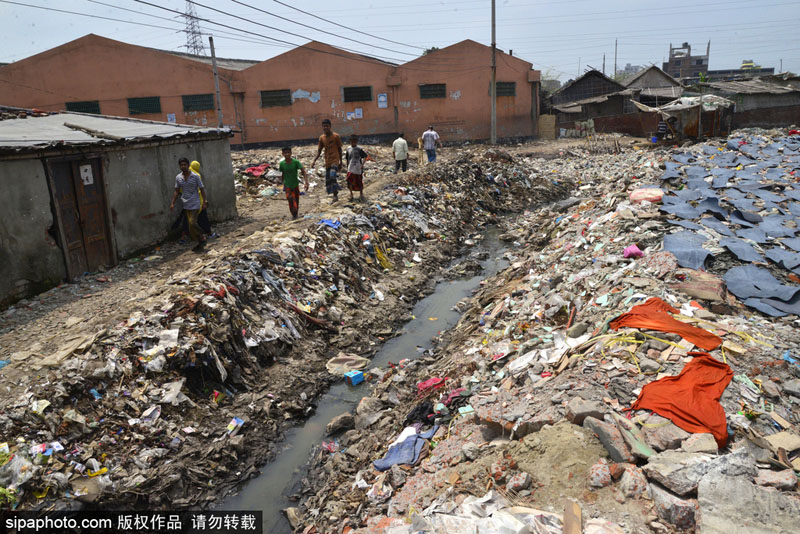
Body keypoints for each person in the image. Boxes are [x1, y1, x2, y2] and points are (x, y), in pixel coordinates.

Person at [170, 157, 207, 252]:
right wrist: (173, 202)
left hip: (195, 202)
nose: (183, 166)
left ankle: (202, 235)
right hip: (186, 203)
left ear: (188, 165)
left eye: (184, 164)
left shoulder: (195, 176)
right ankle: (200, 241)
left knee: (192, 222)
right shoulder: (178, 177)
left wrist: (204, 201)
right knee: (191, 227)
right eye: (181, 165)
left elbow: (202, 189)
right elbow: (176, 191)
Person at [311, 118, 343, 203]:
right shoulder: (322, 138)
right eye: (324, 126)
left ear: (330, 126)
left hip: (335, 160)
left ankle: (336, 194)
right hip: (327, 161)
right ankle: (335, 194)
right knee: (329, 180)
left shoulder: (336, 136)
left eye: (327, 126)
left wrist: (341, 162)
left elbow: (340, 149)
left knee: (332, 176)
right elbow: (319, 150)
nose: (326, 127)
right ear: (322, 127)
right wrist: (314, 161)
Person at [278, 146, 309, 219]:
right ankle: (293, 214)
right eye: (285, 153)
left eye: (288, 152)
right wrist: (281, 182)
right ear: (282, 154)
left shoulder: (296, 162)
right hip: (287, 184)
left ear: (291, 153)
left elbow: (303, 172)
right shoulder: (282, 164)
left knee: (296, 200)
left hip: (295, 184)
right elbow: (282, 173)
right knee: (289, 198)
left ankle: (295, 214)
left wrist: (306, 182)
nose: (287, 154)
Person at [345, 134, 368, 201]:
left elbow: (365, 157)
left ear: (357, 141)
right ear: (350, 141)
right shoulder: (348, 149)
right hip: (350, 168)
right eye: (352, 142)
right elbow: (347, 159)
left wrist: (362, 165)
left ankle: (361, 194)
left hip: (358, 168)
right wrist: (347, 167)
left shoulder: (359, 149)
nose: (353, 143)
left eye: (354, 142)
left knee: (359, 181)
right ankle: (351, 194)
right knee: (349, 181)